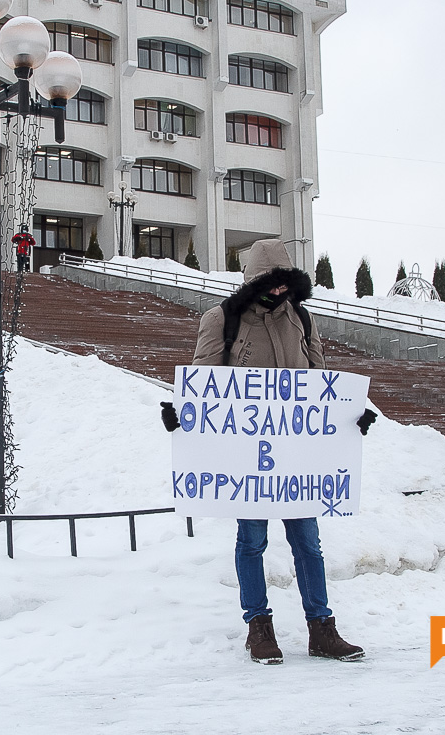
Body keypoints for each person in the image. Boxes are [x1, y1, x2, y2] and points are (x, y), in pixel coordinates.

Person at [162, 239, 373, 665]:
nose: (279, 291)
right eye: (271, 283)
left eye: (285, 283)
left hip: (297, 457)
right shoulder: (221, 319)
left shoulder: (302, 319)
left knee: (308, 544)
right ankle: (258, 626)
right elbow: (206, 379)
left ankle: (321, 629)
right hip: (248, 457)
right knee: (252, 540)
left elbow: (320, 381)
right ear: (254, 280)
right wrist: (183, 412)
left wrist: (350, 415)